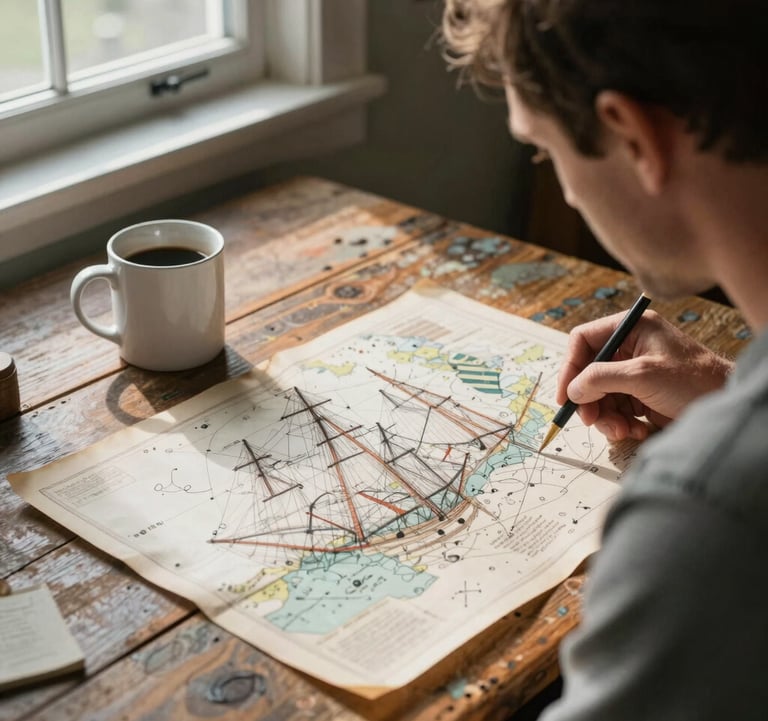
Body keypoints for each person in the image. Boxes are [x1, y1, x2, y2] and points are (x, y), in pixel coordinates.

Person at [441, 1, 768, 719]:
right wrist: (728, 392)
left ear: (631, 135)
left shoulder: (705, 516)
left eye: (544, 149)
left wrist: (727, 443)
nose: (562, 188)